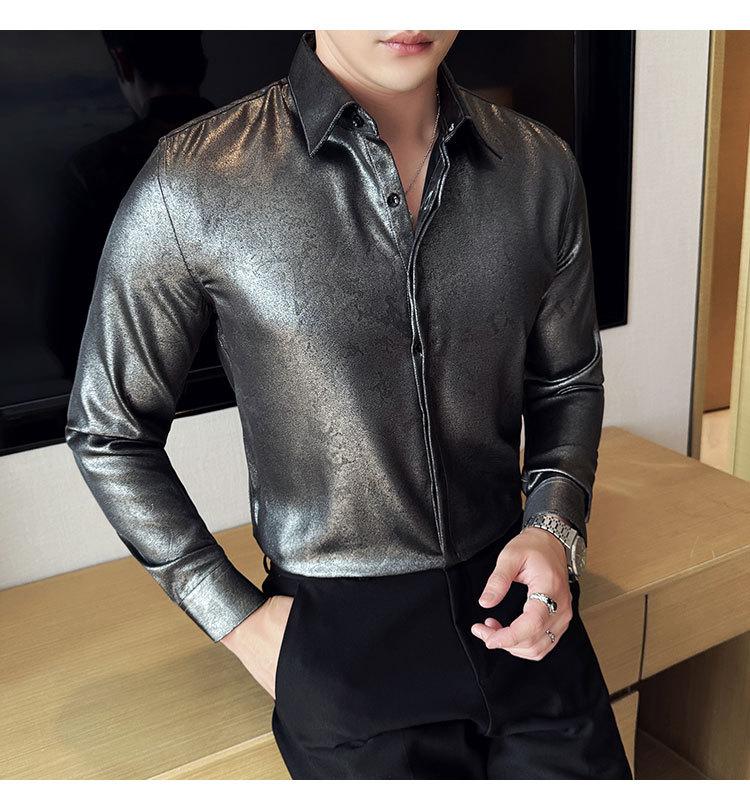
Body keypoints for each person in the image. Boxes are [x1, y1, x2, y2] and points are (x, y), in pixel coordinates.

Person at [65, 29, 633, 779]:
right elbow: (107, 429)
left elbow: (566, 379)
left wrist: (555, 527)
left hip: (520, 602)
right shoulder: (195, 178)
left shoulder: (539, 167)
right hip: (340, 645)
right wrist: (236, 619)